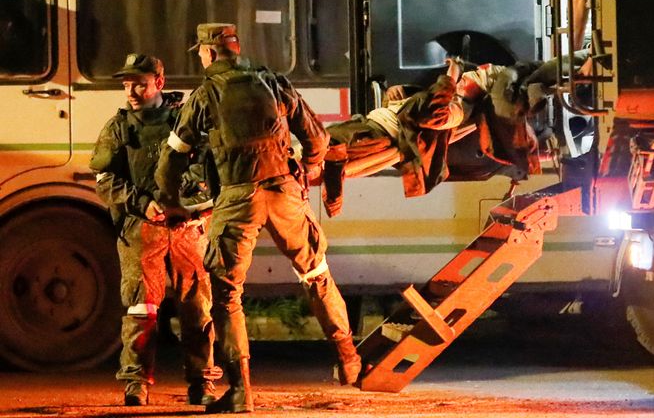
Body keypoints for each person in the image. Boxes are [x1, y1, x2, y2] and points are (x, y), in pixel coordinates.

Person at [155, 23, 361, 414]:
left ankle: (241, 391)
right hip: (285, 194)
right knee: (315, 273)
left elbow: (172, 159)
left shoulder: (204, 96)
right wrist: (307, 168)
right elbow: (317, 140)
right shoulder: (274, 82)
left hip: (238, 198)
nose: (200, 57)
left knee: (227, 293)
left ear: (211, 53)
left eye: (199, 52)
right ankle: (348, 357)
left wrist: (171, 203)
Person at [89, 53, 218, 406]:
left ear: (158, 83)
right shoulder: (118, 128)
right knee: (139, 309)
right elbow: (105, 179)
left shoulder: (187, 121)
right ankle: (136, 385)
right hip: (141, 230)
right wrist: (142, 203)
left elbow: (208, 168)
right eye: (127, 84)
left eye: (139, 83)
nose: (131, 91)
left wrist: (192, 206)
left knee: (197, 309)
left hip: (187, 229)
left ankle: (202, 383)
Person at [321, 58, 541, 217]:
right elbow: (425, 112)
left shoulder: (457, 108)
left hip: (371, 132)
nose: (468, 78)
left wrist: (451, 76)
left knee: (323, 148)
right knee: (322, 147)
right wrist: (448, 76)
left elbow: (433, 116)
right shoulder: (451, 101)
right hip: (367, 130)